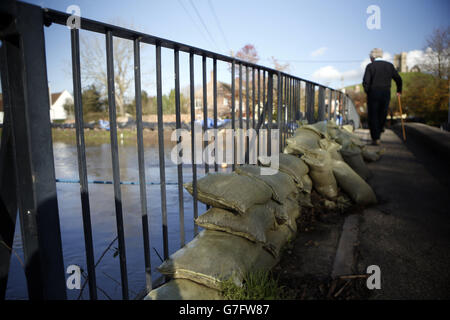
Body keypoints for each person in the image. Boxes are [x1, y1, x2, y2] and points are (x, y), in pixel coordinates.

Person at [363, 48, 402, 145]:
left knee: (373, 115)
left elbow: (366, 82)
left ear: (372, 57)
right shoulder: (389, 66)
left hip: (373, 93)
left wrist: (368, 91)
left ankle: (375, 138)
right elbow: (398, 78)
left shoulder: (370, 66)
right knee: (382, 113)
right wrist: (399, 90)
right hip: (385, 93)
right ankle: (379, 130)